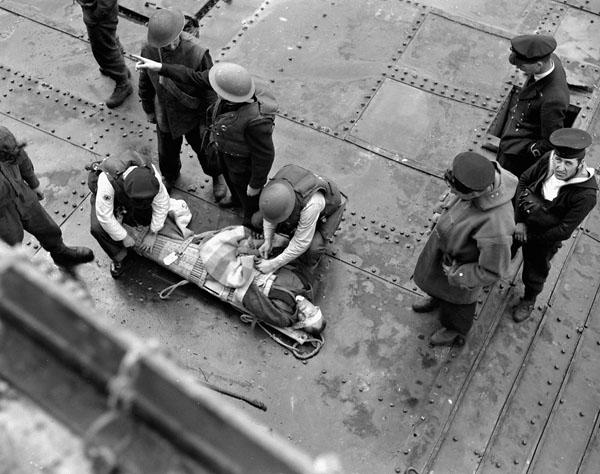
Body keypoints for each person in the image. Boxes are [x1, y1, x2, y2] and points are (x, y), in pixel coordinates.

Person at [412, 152, 517, 346]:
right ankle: (437, 297)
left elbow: (493, 269)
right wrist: (442, 213)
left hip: (461, 267)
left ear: (476, 193)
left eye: (457, 192)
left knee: (458, 306)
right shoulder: (473, 178)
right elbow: (453, 198)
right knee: (436, 283)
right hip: (444, 253)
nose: (452, 193)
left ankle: (455, 329)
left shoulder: (497, 225)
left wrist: (458, 275)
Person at [135, 8, 224, 198]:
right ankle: (170, 175)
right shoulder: (148, 50)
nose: (172, 46)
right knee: (166, 152)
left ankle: (217, 175)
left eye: (174, 39)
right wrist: (148, 109)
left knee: (207, 151)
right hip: (165, 112)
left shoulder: (198, 53)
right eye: (166, 44)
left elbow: (210, 89)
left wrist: (209, 122)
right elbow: (145, 80)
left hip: (194, 113)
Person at [512, 128, 598, 323]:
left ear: (580, 164)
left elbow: (564, 230)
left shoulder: (586, 195)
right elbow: (525, 180)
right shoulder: (550, 159)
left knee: (535, 269)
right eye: (559, 160)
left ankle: (529, 298)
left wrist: (529, 238)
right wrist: (519, 222)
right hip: (524, 217)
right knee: (506, 245)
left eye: (568, 163)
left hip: (545, 235)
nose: (560, 167)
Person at [0, 126, 94, 266]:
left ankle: (60, 253)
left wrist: (33, 183)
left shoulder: (2, 136)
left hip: (22, 193)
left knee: (46, 227)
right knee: (11, 246)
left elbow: (20, 157)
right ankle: (19, 272)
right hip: (2, 212)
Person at [497, 34, 569, 177]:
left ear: (539, 65)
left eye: (522, 65)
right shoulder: (551, 60)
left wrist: (526, 150)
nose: (518, 67)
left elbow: (550, 140)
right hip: (514, 133)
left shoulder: (553, 100)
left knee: (505, 177)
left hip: (517, 154)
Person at [89, 151, 169, 278]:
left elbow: (162, 202)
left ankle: (133, 219)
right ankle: (119, 257)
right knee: (97, 228)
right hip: (111, 198)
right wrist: (124, 237)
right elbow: (104, 216)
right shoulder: (107, 182)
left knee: (146, 215)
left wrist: (153, 232)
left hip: (130, 198)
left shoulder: (152, 176)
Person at [254, 164, 345, 275]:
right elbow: (269, 216)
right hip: (302, 197)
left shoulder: (312, 205)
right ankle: (286, 240)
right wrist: (268, 240)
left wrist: (273, 264)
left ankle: (310, 265)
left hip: (327, 209)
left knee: (313, 249)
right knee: (257, 220)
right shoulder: (274, 188)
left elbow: (301, 243)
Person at [76, 0, 133, 108]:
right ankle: (121, 70)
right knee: (108, 41)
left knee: (104, 50)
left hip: (99, 13)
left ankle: (123, 83)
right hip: (97, 10)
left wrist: (95, 16)